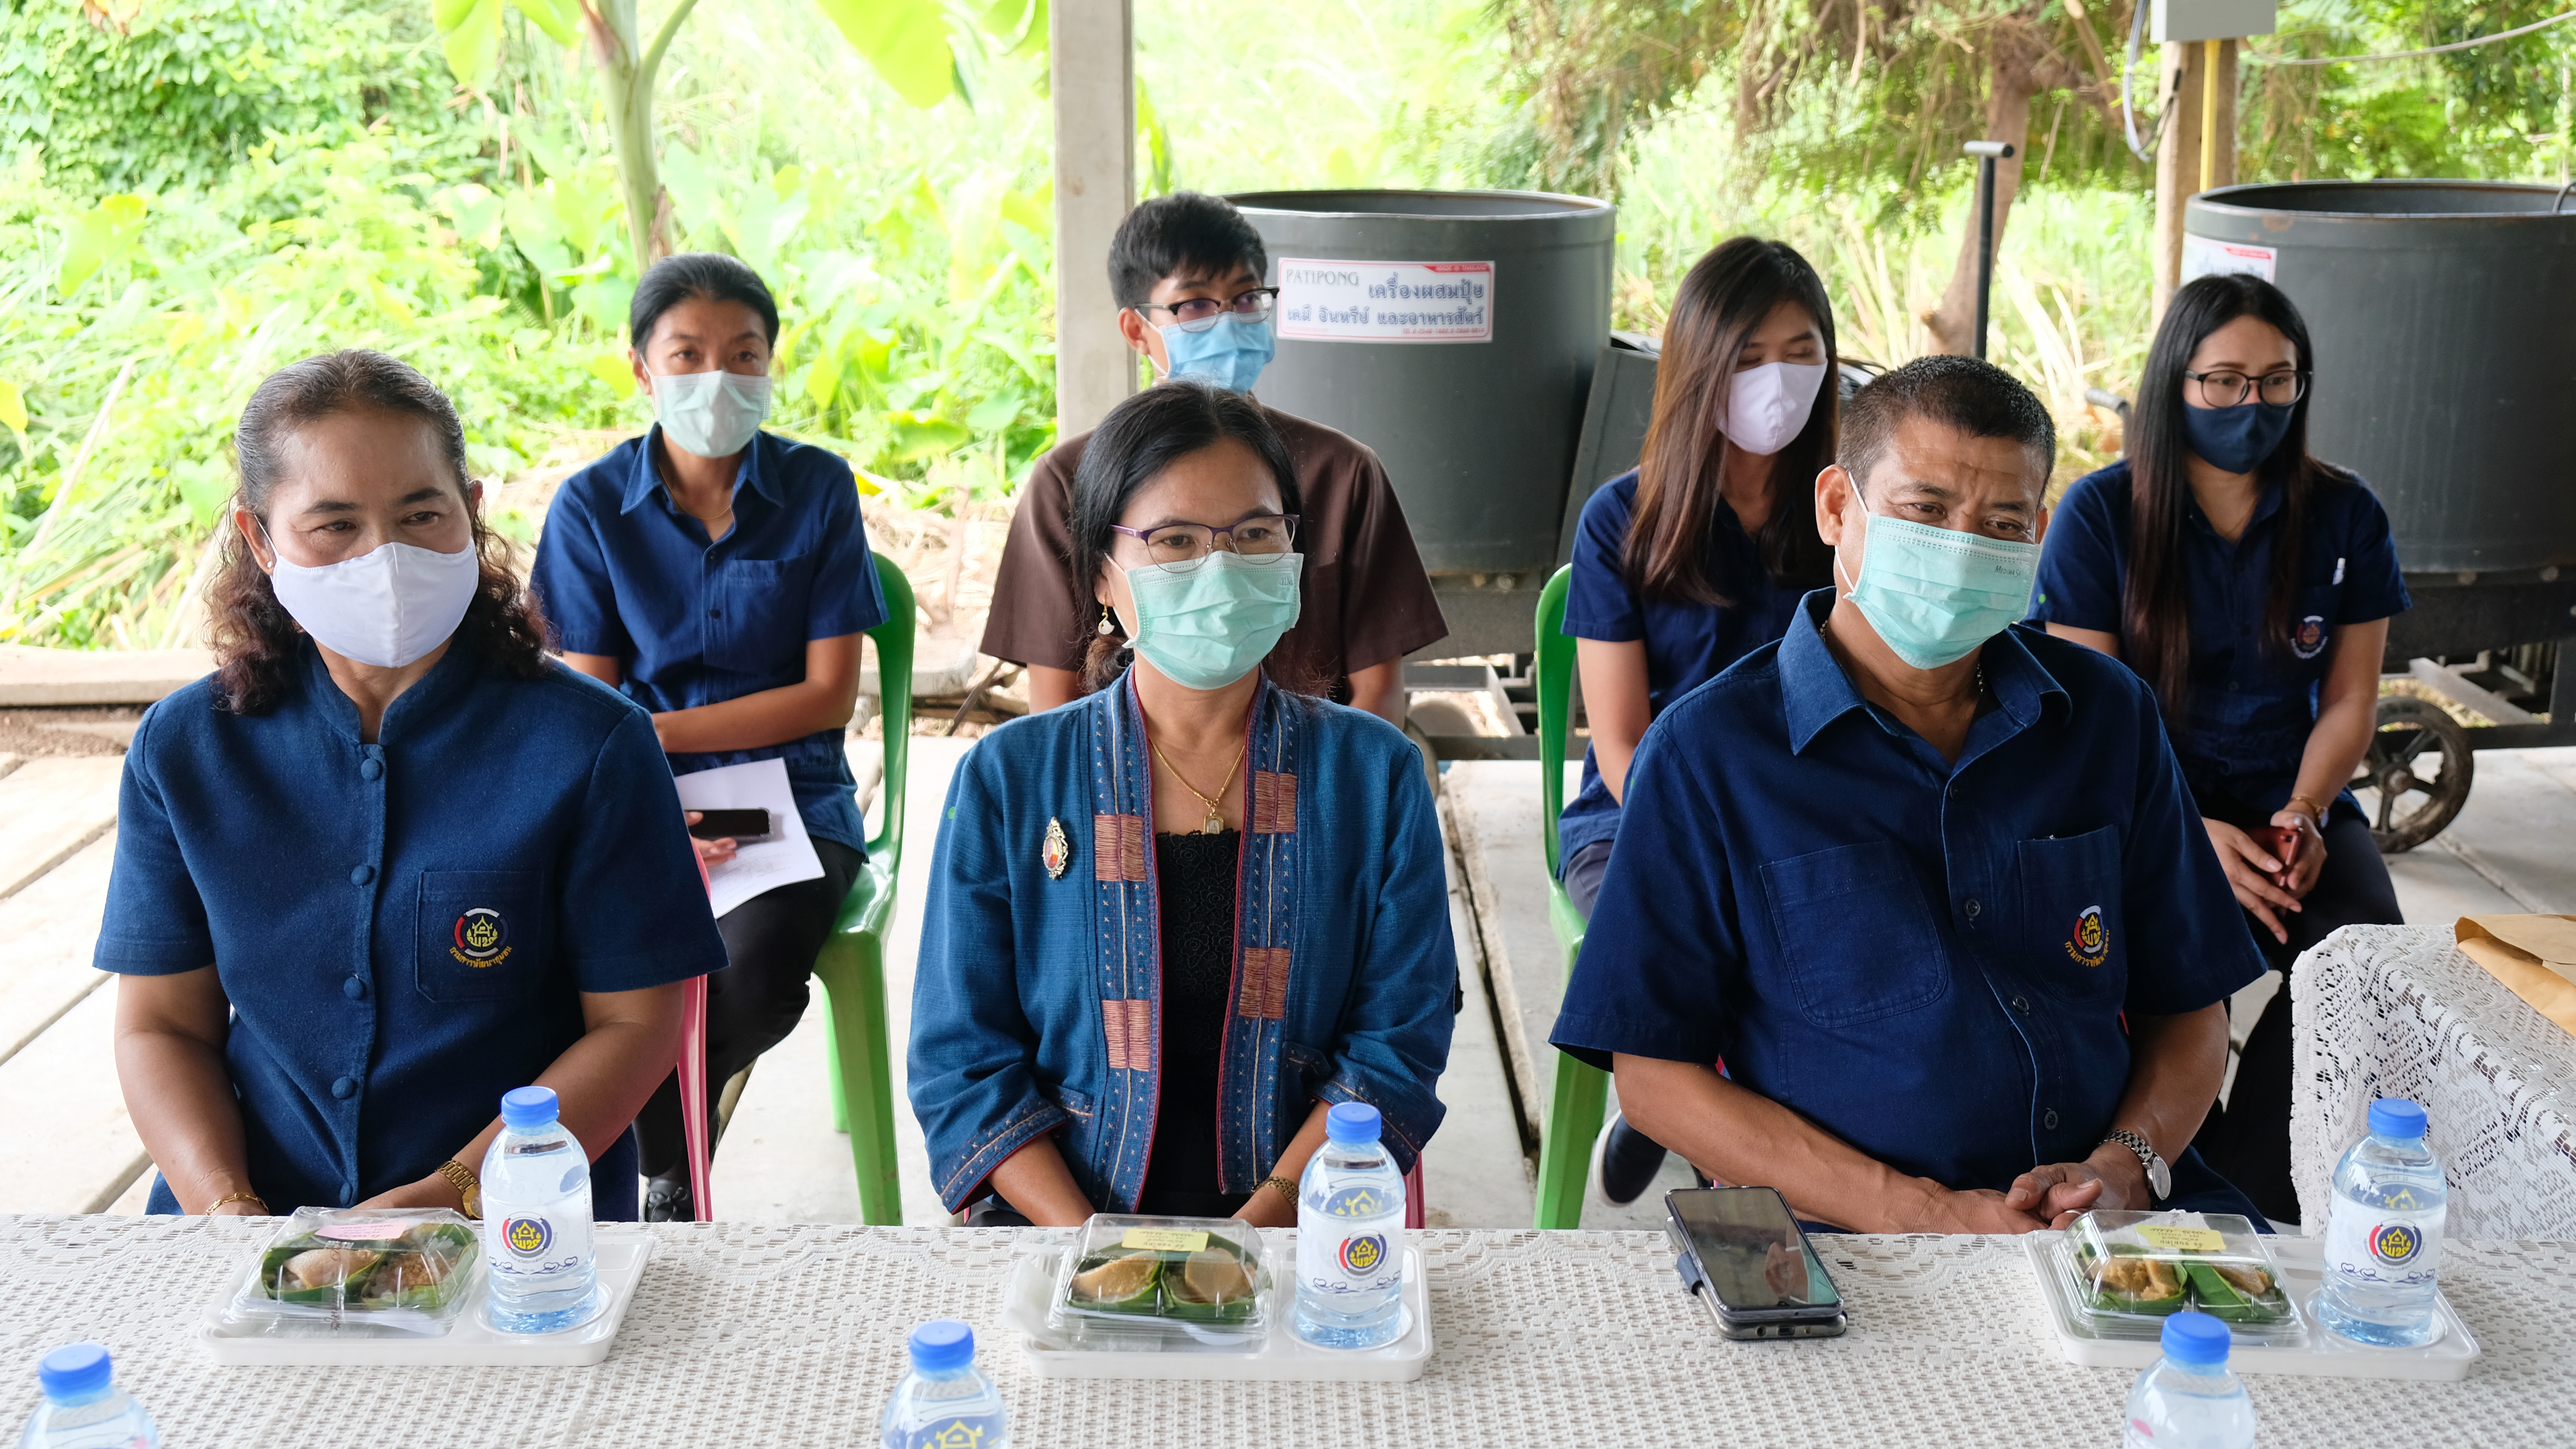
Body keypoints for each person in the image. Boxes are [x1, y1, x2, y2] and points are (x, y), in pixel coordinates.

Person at [1551, 356, 2271, 1235]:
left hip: (2111, 1224)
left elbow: (2191, 999)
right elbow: (1655, 1077)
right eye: (1924, 511)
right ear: (1835, 508)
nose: (1962, 549)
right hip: (1853, 1236)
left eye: (2002, 522)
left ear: (2037, 534)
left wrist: (2127, 1165)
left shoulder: (2107, 717)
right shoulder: (1711, 756)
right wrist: (1929, 1212)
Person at [100, 350, 724, 1222]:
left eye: (420, 512)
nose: (383, 556)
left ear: (470, 513)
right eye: (335, 524)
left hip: (520, 1223)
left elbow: (637, 1026)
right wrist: (226, 1210)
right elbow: (161, 1023)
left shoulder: (594, 743)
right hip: (243, 1223)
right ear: (259, 537)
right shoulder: (186, 748)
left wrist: (456, 1196)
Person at [911, 380, 1455, 1226]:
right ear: (1101, 576)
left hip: (1300, 1222)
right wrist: (1092, 1248)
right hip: (1062, 1225)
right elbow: (963, 1062)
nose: (1221, 567)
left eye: (1253, 534)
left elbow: (1398, 1045)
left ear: (1291, 553)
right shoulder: (1008, 778)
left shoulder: (1375, 775)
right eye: (1174, 540)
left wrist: (1247, 1240)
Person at [2032, 273, 2408, 1225]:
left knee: (2362, 954)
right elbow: (2088, 712)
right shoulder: (2100, 515)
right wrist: (2190, 832)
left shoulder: (2346, 514)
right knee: (2142, 955)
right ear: (2175, 384)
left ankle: (2244, 1187)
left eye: (2279, 381)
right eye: (2226, 381)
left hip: (2291, 796)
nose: (2255, 405)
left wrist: (2305, 810)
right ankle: (2144, 1140)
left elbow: (2353, 696)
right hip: (2143, 802)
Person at [530, 253, 888, 1221]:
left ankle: (662, 1165)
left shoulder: (817, 488)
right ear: (643, 369)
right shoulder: (590, 507)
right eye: (687, 355)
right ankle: (668, 1165)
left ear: (772, 365)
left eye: (744, 353)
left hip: (795, 796)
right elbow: (582, 705)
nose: (717, 378)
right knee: (581, 956)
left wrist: (651, 731)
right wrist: (648, 789)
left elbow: (825, 698)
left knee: (755, 970)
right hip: (633, 798)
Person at [1555, 239, 1840, 1206]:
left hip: (1817, 821)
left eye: (1802, 352)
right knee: (1712, 945)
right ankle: (1710, 1139)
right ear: (1699, 367)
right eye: (1750, 356)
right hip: (1640, 828)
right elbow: (1623, 744)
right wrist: (1728, 843)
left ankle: (1672, 1110)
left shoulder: (1848, 512)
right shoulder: (1622, 522)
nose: (1779, 379)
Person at [980, 191, 1444, 725]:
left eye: (1247, 300)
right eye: (1195, 305)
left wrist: (1333, 793)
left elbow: (1380, 696)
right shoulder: (1069, 480)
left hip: (1309, 783)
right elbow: (1054, 704)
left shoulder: (1344, 473)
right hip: (1120, 786)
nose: (1228, 322)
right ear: (1137, 330)